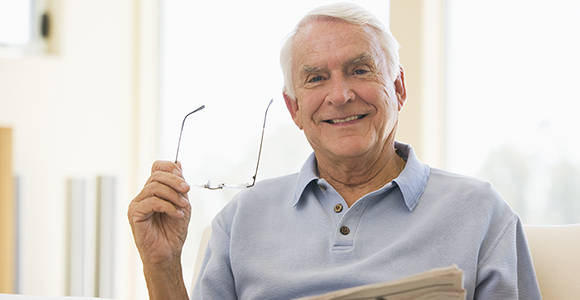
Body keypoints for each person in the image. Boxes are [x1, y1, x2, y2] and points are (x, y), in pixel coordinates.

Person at [128, 3, 542, 299]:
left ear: (397, 89)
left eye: (360, 70)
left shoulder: (480, 212)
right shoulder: (240, 221)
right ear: (293, 108)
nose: (340, 96)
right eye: (316, 78)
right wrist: (161, 268)